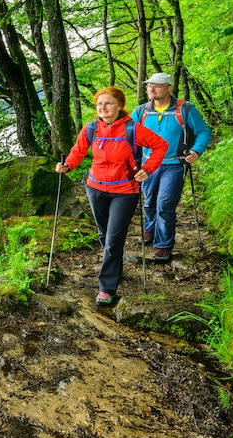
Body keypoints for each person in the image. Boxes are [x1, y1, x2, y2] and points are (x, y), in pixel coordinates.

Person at [56, 86, 168, 306]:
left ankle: (106, 288)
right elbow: (78, 151)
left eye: (107, 103)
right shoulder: (90, 129)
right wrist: (67, 165)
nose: (102, 108)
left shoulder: (132, 129)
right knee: (104, 234)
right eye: (99, 104)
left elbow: (160, 145)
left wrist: (148, 168)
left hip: (124, 191)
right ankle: (115, 265)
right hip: (95, 188)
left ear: (119, 106)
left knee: (113, 240)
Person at [132, 73, 213, 263]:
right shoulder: (140, 111)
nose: (151, 89)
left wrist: (196, 150)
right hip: (147, 165)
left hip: (174, 165)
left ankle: (163, 245)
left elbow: (203, 131)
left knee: (165, 204)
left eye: (157, 86)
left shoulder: (184, 109)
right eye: (149, 86)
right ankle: (150, 229)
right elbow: (130, 137)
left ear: (169, 88)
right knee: (149, 202)